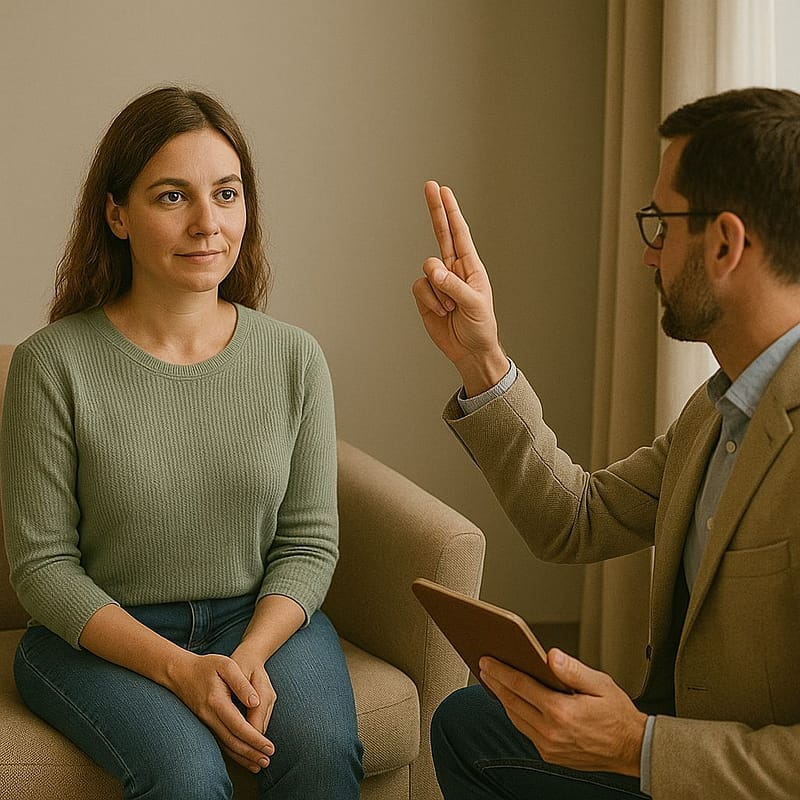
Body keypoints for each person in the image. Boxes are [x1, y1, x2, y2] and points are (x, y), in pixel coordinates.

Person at [411, 86, 800, 799]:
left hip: (728, 775)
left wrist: (638, 746)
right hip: (677, 745)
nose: (651, 257)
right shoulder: (718, 411)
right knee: (474, 722)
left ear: (724, 244)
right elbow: (575, 518)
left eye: (663, 225)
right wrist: (481, 360)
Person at [0, 86, 363, 800]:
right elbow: (42, 568)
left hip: (254, 617)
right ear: (117, 214)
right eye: (172, 197)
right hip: (100, 639)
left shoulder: (294, 358)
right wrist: (179, 669)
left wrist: (250, 655)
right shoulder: (51, 365)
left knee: (320, 752)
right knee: (187, 778)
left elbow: (310, 544)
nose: (207, 224)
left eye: (226, 194)